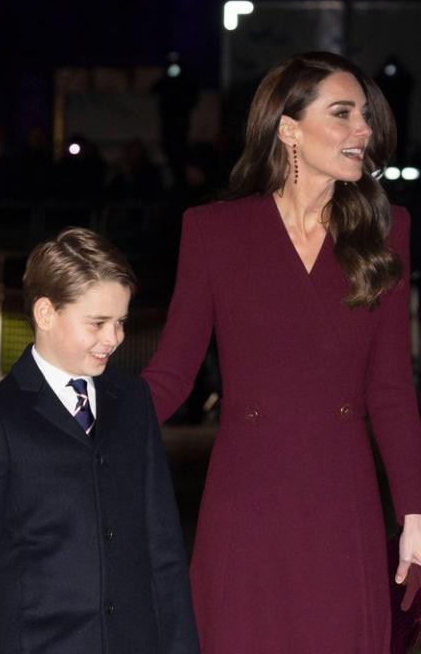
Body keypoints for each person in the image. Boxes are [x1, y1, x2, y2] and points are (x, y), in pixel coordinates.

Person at [142, 51, 421, 653]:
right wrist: (82, 406)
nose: (364, 130)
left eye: (366, 116)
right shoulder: (214, 231)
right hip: (247, 501)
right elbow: (172, 375)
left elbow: (392, 390)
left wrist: (415, 516)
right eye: (343, 113)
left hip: (341, 500)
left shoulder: (386, 227)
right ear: (288, 127)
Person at [0, 227, 199, 654]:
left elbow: (163, 547)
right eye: (97, 323)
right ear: (46, 313)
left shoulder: (134, 400)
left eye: (120, 322)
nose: (114, 339)